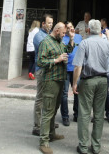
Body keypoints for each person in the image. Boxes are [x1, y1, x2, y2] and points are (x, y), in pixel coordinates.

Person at [72, 19, 109, 154]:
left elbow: (78, 66)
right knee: (99, 113)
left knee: (84, 113)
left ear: (88, 30)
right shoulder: (107, 44)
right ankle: (96, 146)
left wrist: (75, 83)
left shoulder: (84, 43)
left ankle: (83, 146)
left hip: (88, 80)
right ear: (100, 30)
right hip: (103, 80)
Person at [36, 22, 75, 154]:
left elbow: (68, 50)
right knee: (48, 111)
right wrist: (56, 60)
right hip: (50, 80)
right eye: (63, 33)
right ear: (57, 31)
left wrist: (71, 39)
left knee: (54, 109)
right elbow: (40, 61)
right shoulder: (45, 42)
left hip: (60, 80)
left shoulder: (59, 42)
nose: (64, 35)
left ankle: (51, 134)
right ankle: (44, 141)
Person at [32, 14, 54, 136]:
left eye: (52, 23)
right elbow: (49, 49)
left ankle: (47, 123)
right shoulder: (38, 36)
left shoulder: (48, 35)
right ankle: (37, 126)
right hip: (41, 70)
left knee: (49, 97)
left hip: (50, 70)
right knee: (40, 98)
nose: (50, 25)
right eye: (49, 23)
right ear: (43, 24)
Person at [60, 22, 82, 126]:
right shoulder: (63, 38)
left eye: (71, 27)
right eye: (68, 28)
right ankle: (65, 116)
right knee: (64, 93)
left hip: (76, 68)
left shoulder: (79, 37)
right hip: (65, 68)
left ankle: (77, 114)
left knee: (77, 91)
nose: (70, 29)